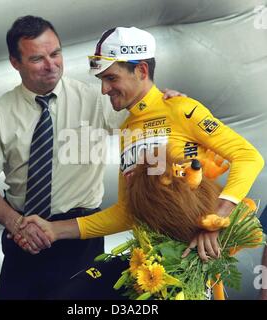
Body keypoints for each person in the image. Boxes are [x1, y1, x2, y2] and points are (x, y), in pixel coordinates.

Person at [17, 27, 264, 298]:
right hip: (147, 264)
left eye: (111, 78)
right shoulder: (128, 128)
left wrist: (216, 218)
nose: (104, 89)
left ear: (142, 71)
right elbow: (128, 211)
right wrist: (54, 229)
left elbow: (248, 156)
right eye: (101, 79)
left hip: (183, 267)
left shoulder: (180, 108)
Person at [0, 17, 180, 300]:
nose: (51, 65)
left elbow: (145, 114)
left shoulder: (98, 99)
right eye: (37, 58)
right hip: (22, 237)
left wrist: (165, 104)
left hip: (80, 240)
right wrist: (17, 225)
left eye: (55, 54)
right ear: (15, 62)